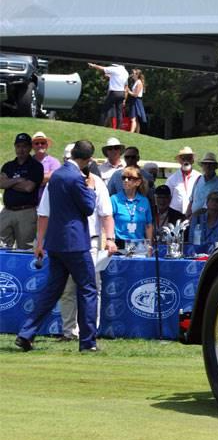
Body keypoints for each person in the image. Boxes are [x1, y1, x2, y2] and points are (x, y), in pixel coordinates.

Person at [15, 140, 99, 352]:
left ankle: (26, 333)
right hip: (76, 243)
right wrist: (91, 190)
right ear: (87, 159)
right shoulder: (78, 179)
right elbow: (88, 208)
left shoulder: (58, 175)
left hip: (56, 242)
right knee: (88, 289)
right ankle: (88, 343)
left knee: (52, 290)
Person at [39, 142, 116, 342]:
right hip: (73, 242)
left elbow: (106, 213)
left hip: (89, 241)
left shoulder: (95, 182)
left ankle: (89, 332)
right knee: (72, 290)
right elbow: (44, 213)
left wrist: (110, 238)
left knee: (88, 289)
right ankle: (71, 331)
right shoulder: (65, 180)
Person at [0, 133, 44, 249]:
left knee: (25, 249)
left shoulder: (36, 166)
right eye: (18, 146)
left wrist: (9, 182)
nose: (21, 149)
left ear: (30, 148)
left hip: (26, 212)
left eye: (24, 146)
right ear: (15, 147)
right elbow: (1, 183)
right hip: (7, 211)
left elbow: (28, 187)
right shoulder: (8, 166)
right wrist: (18, 180)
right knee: (2, 247)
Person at [110, 165, 154, 250]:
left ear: (138, 182)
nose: (126, 180)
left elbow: (148, 225)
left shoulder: (144, 201)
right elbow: (108, 221)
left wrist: (149, 245)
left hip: (139, 244)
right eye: (124, 178)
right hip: (119, 244)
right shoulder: (114, 199)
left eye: (130, 178)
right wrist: (109, 241)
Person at [88, 62, 130, 128]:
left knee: (105, 110)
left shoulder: (116, 69)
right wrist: (110, 76)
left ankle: (100, 126)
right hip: (121, 93)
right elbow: (118, 78)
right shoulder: (125, 72)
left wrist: (93, 65)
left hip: (114, 93)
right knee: (119, 112)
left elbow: (102, 68)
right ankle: (118, 128)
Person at [166, 146, 201, 215]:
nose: (186, 160)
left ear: (192, 160)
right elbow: (166, 198)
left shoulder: (199, 177)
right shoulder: (172, 179)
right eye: (183, 158)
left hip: (194, 213)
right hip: (175, 214)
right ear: (180, 161)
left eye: (189, 158)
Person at [186, 152, 218, 218]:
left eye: (210, 164)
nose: (208, 166)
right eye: (205, 164)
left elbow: (214, 204)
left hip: (208, 218)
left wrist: (194, 215)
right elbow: (192, 199)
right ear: (202, 166)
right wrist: (188, 213)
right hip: (193, 217)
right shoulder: (198, 179)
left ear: (215, 166)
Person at [30, 131, 61, 201]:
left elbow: (54, 178)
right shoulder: (28, 161)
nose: (40, 145)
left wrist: (31, 181)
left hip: (47, 202)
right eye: (36, 143)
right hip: (29, 203)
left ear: (46, 145)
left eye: (42, 143)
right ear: (32, 146)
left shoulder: (54, 162)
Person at [125, 68, 147, 134]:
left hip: (137, 101)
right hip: (134, 100)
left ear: (137, 75)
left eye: (134, 74)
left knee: (133, 118)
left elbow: (135, 95)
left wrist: (128, 91)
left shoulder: (139, 82)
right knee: (136, 119)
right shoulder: (136, 82)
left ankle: (131, 133)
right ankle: (137, 133)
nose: (132, 75)